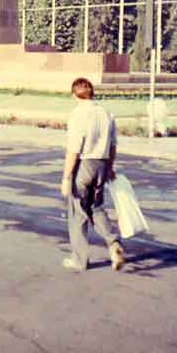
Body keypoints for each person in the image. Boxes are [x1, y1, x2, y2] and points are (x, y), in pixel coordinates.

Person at [60, 77, 126, 272]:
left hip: (84, 165)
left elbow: (74, 148)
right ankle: (114, 243)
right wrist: (110, 167)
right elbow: (113, 145)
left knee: (77, 212)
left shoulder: (78, 114)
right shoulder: (106, 113)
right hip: (102, 164)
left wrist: (66, 177)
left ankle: (79, 260)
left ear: (74, 95)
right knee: (96, 208)